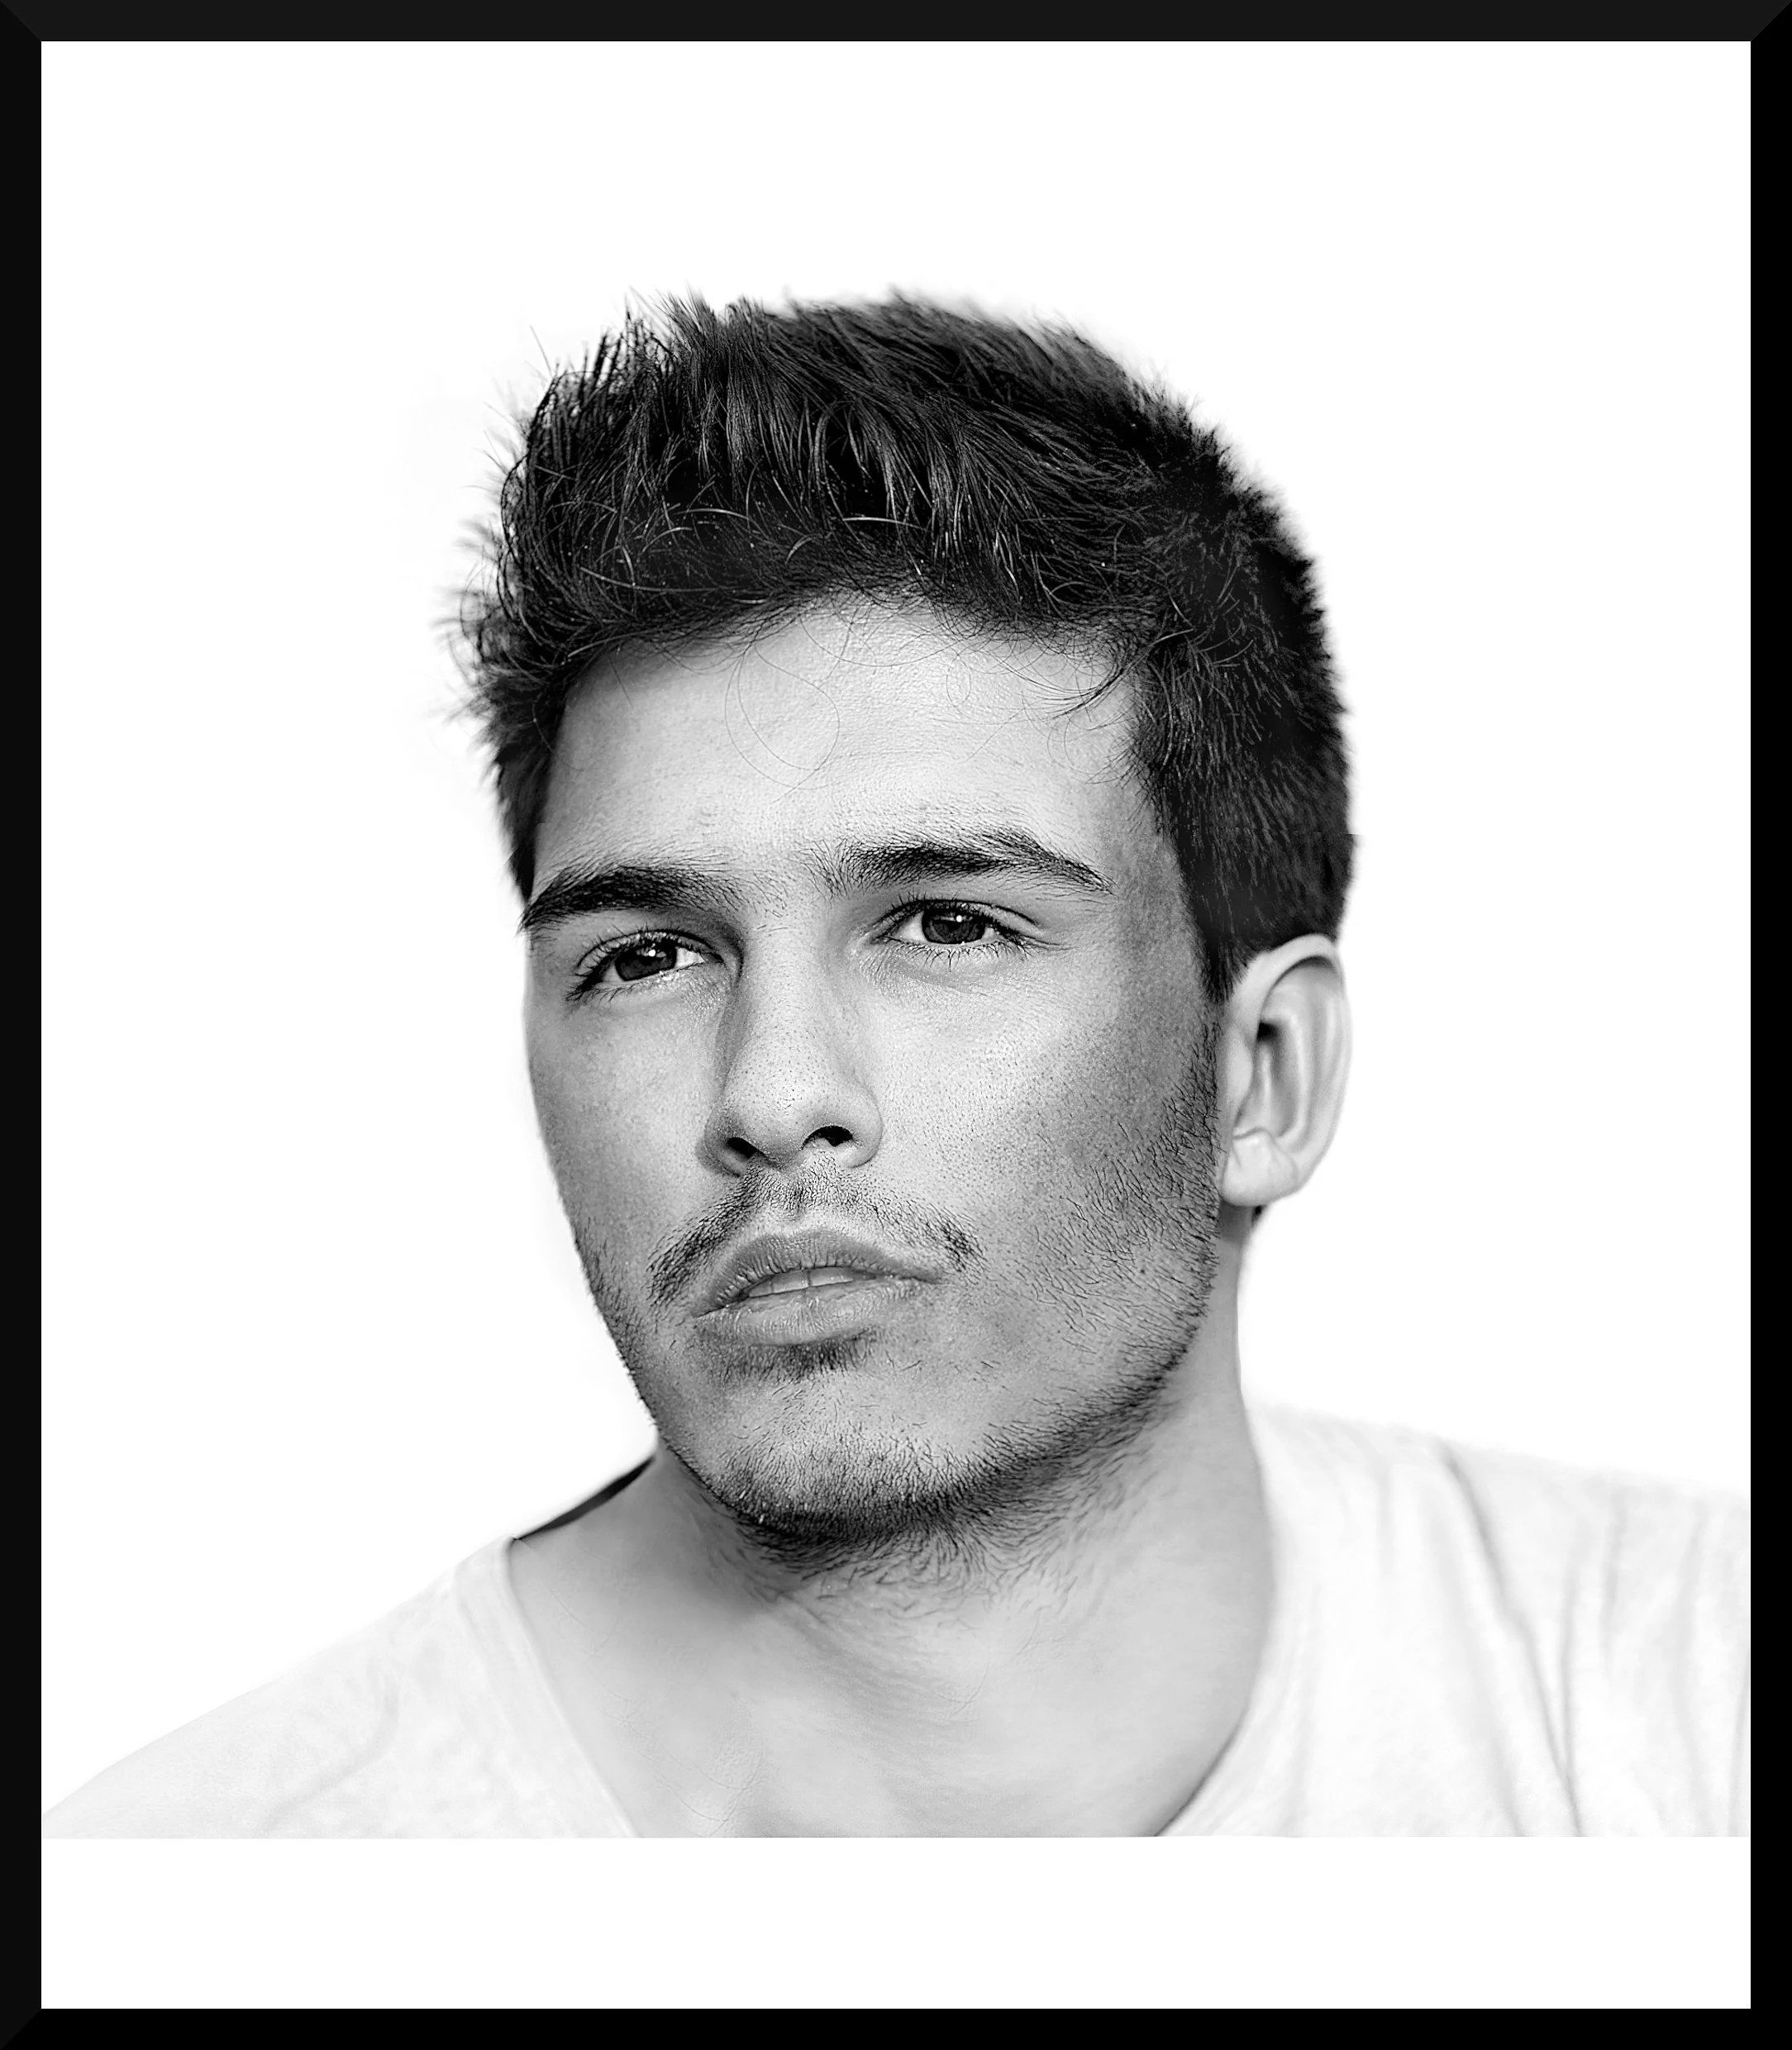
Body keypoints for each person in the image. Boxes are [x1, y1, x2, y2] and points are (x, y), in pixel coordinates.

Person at [44, 297, 1748, 1838]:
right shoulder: (190, 1901)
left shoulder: (1680, 1724)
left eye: (947, 926)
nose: (771, 1095)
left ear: (1267, 1073)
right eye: (648, 956)